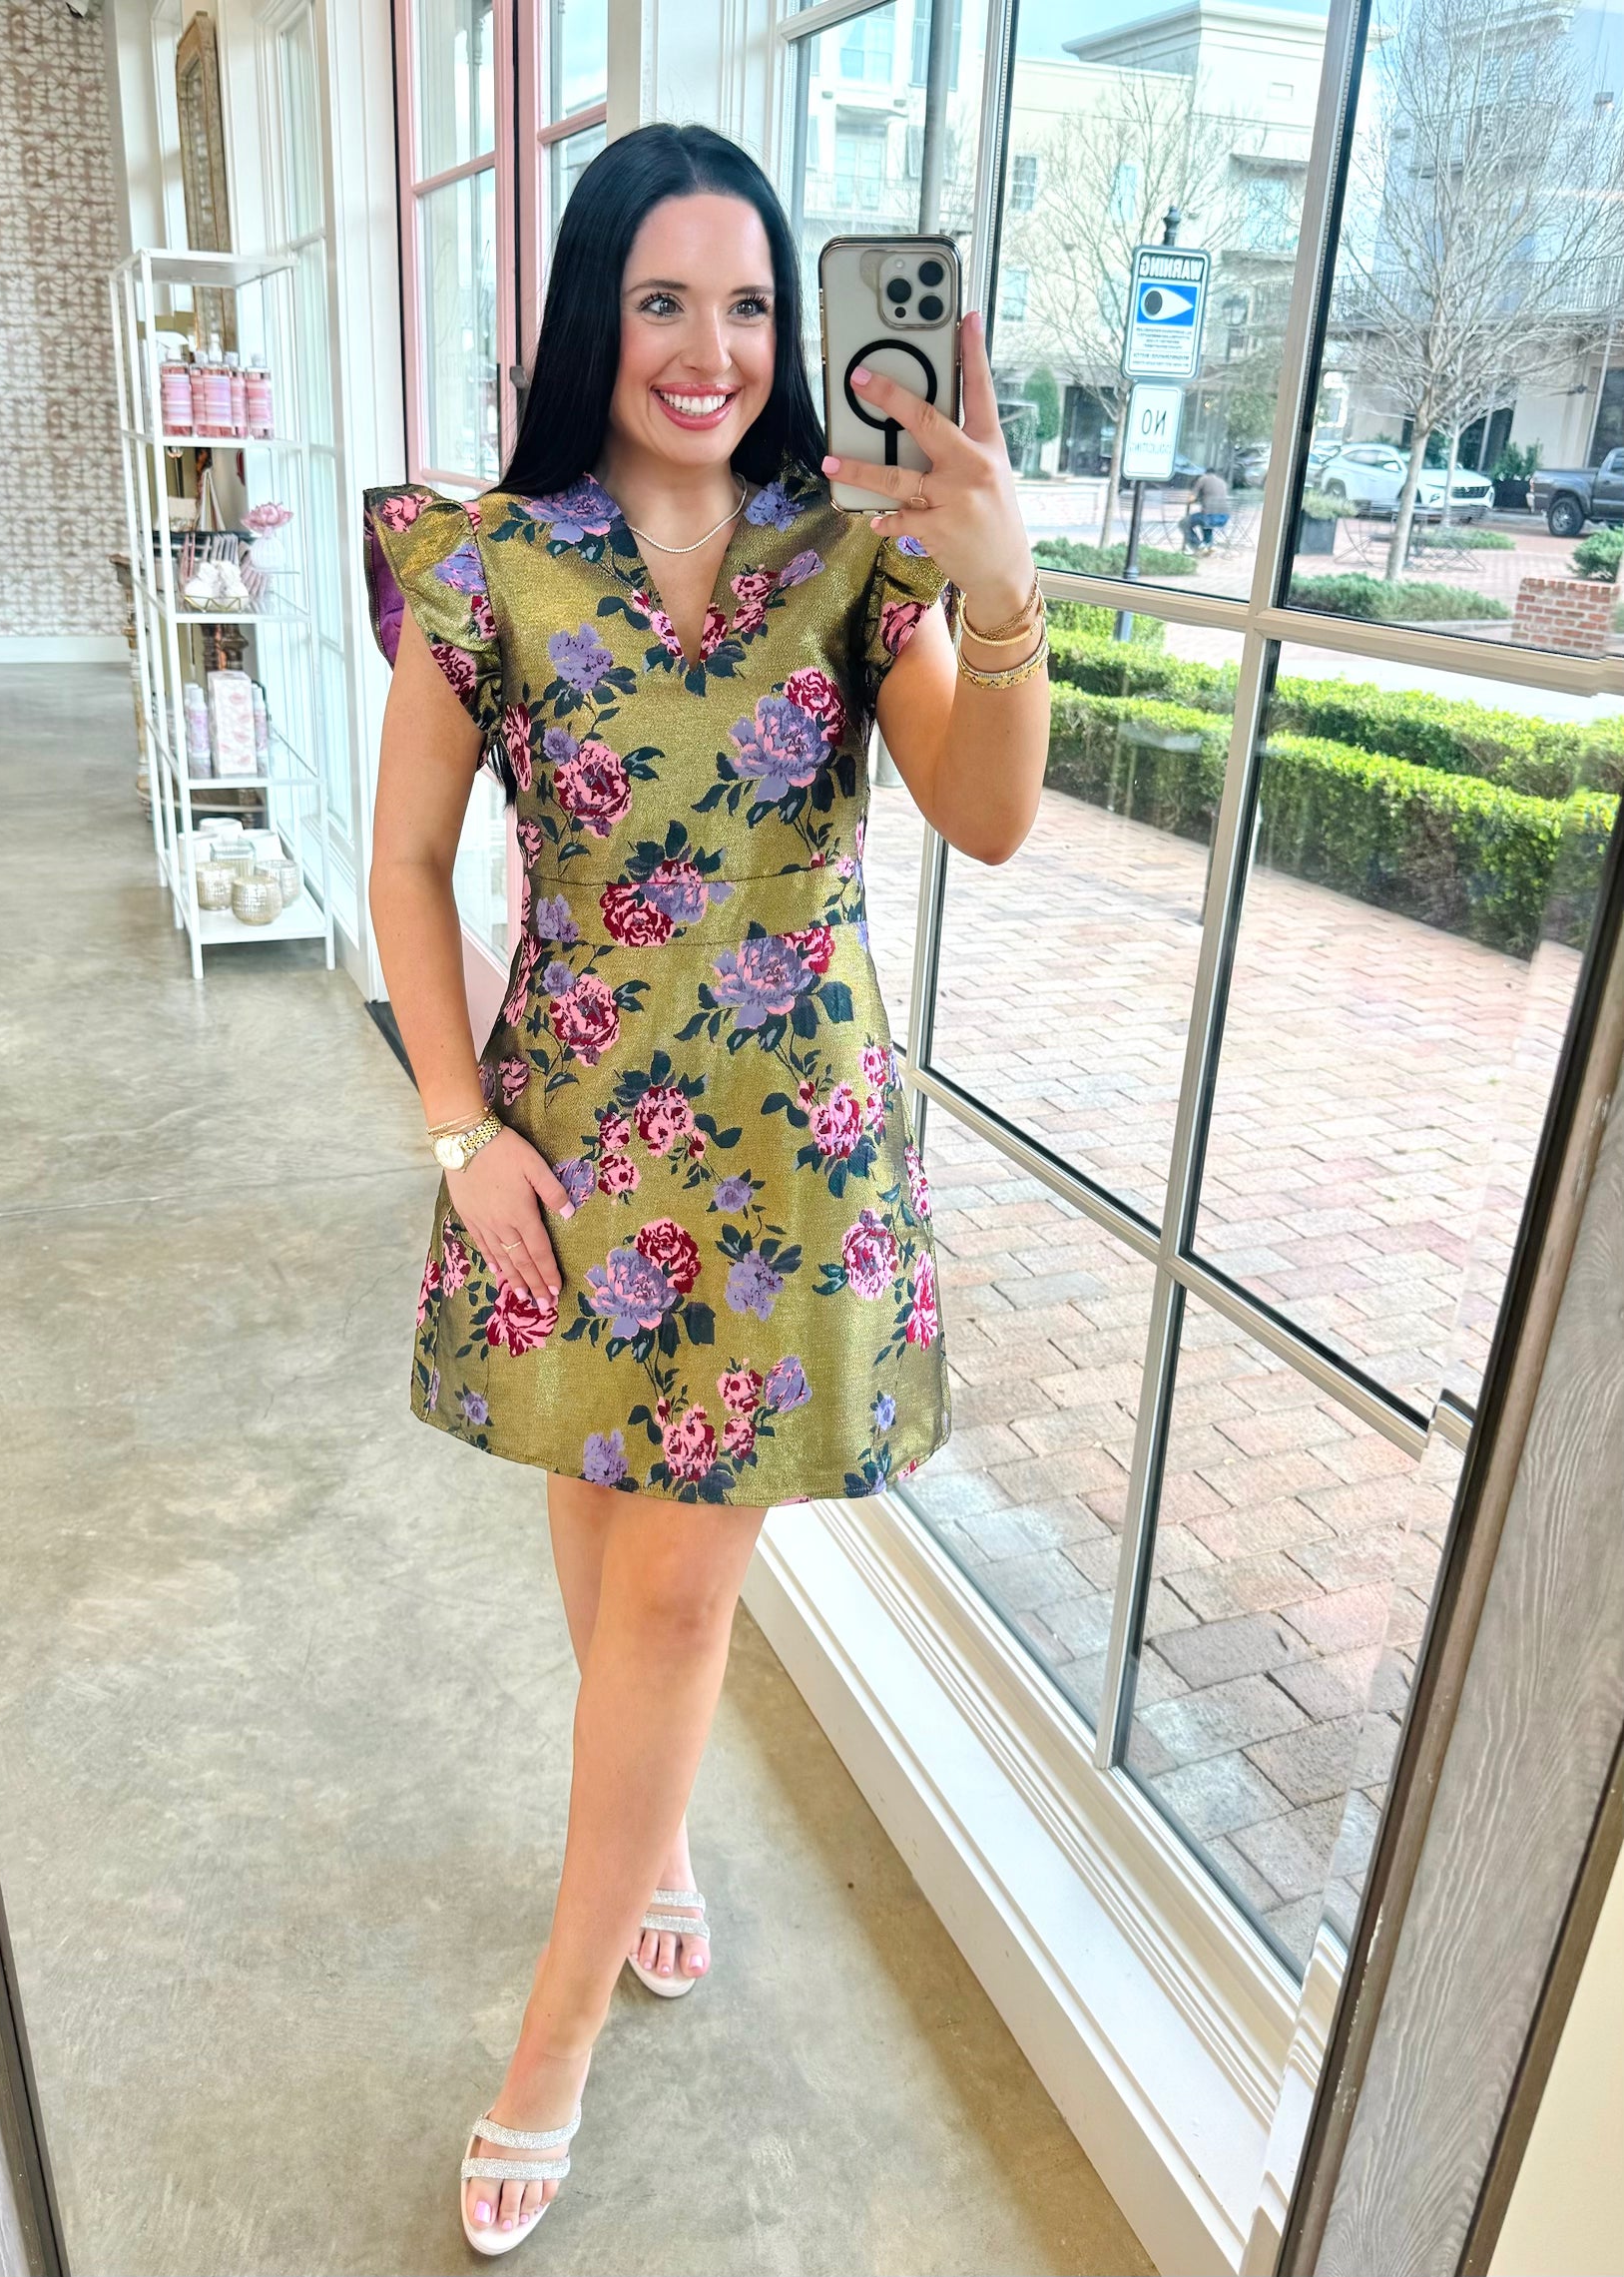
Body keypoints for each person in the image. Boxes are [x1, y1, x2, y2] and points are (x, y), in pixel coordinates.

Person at [362, 121, 1049, 2255]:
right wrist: (457, 1129)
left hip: (783, 1154)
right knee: (597, 1527)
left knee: (672, 1594)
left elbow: (987, 815)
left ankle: (551, 2042)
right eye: (663, 298)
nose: (711, 346)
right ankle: (650, 1850)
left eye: (748, 303)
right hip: (568, 1144)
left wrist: (999, 588)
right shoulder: (485, 565)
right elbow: (406, 865)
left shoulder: (851, 556)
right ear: (595, 312)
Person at [1183, 464, 1232, 550]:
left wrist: (1189, 499)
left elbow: (1191, 498)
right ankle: (1207, 544)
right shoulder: (1222, 482)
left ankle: (1197, 546)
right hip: (1224, 517)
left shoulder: (1203, 479)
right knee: (1205, 521)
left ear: (1205, 473)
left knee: (1184, 523)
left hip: (1209, 517)